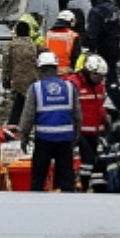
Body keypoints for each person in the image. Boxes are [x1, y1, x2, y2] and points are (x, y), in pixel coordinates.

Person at [19, 51, 81, 192]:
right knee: (66, 181)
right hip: (65, 140)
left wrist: (24, 136)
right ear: (56, 68)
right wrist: (76, 136)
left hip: (43, 140)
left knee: (38, 180)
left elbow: (27, 116)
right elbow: (77, 115)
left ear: (39, 69)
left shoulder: (36, 88)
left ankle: (37, 209)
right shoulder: (70, 87)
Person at [65, 53, 109, 191]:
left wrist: (106, 121)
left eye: (101, 77)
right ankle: (83, 185)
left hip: (95, 131)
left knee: (95, 161)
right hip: (80, 131)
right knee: (87, 161)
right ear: (87, 71)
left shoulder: (99, 85)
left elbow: (100, 106)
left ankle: (93, 186)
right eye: (96, 76)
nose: (98, 79)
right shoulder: (74, 84)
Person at [85, 0, 120, 117]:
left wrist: (90, 51)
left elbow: (92, 34)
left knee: (94, 81)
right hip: (115, 49)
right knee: (112, 81)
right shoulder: (113, 9)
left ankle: (95, 109)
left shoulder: (96, 11)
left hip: (102, 50)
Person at [3, 20, 40, 126]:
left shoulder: (11, 46)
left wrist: (5, 79)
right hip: (32, 80)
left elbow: (6, 65)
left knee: (15, 107)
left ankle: (13, 126)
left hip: (16, 81)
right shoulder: (33, 45)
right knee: (28, 105)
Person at [45, 10, 82, 75]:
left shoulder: (48, 34)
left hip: (48, 71)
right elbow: (76, 57)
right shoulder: (73, 36)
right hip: (65, 73)